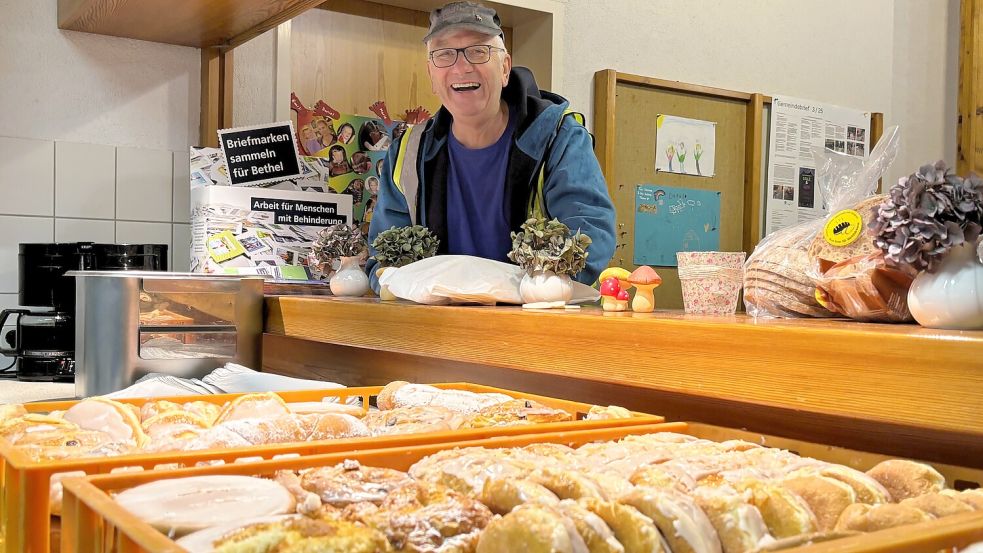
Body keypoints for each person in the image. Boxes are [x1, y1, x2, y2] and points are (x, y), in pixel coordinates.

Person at [366, 1, 615, 292]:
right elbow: (382, 260)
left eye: (478, 51)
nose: (461, 66)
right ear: (432, 74)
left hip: (534, 328)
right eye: (445, 54)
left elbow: (590, 234)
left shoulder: (559, 138)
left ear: (505, 67)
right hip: (437, 331)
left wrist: (522, 290)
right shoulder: (407, 154)